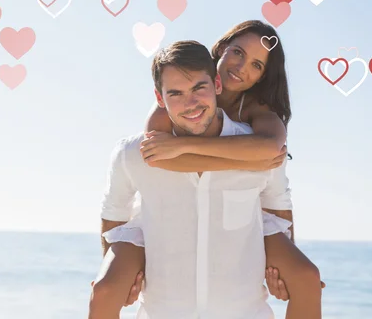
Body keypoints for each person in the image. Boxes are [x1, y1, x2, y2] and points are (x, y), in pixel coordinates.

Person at [89, 21, 323, 319]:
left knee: (306, 276)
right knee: (105, 290)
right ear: (222, 50)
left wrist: (280, 269)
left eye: (256, 65)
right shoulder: (146, 135)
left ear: (215, 85)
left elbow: (278, 195)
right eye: (238, 53)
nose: (241, 67)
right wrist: (117, 269)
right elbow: (152, 160)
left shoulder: (260, 121)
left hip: (248, 247)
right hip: (158, 236)